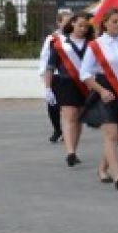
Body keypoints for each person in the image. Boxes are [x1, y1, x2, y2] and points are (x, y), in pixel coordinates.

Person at [80, 8, 118, 190]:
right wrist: (101, 90)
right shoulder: (95, 45)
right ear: (105, 23)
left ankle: (102, 169)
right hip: (103, 90)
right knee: (111, 134)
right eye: (115, 21)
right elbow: (84, 73)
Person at [44, 12, 94, 166]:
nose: (83, 29)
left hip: (85, 84)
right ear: (72, 23)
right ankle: (70, 152)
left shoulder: (92, 43)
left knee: (78, 117)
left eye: (86, 26)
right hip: (65, 83)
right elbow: (50, 66)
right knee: (70, 115)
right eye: (80, 25)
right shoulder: (59, 42)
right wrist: (47, 88)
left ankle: (74, 150)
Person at [40, 12, 73, 143]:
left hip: (70, 77)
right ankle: (57, 129)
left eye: (71, 21)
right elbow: (45, 59)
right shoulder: (52, 39)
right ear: (59, 23)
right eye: (66, 21)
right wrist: (45, 79)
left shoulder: (76, 38)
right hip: (55, 76)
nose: (69, 24)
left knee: (68, 107)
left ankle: (67, 131)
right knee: (53, 105)